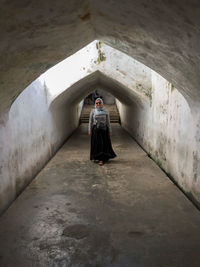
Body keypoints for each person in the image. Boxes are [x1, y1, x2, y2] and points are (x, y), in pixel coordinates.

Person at [88, 98, 116, 166]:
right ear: (95, 104)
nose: (98, 104)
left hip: (104, 130)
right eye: (97, 103)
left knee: (103, 144)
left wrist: (110, 131)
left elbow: (108, 122)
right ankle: (96, 157)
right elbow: (90, 121)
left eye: (99, 103)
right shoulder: (93, 111)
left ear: (102, 103)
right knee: (97, 144)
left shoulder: (106, 112)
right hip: (96, 130)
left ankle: (102, 159)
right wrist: (89, 130)